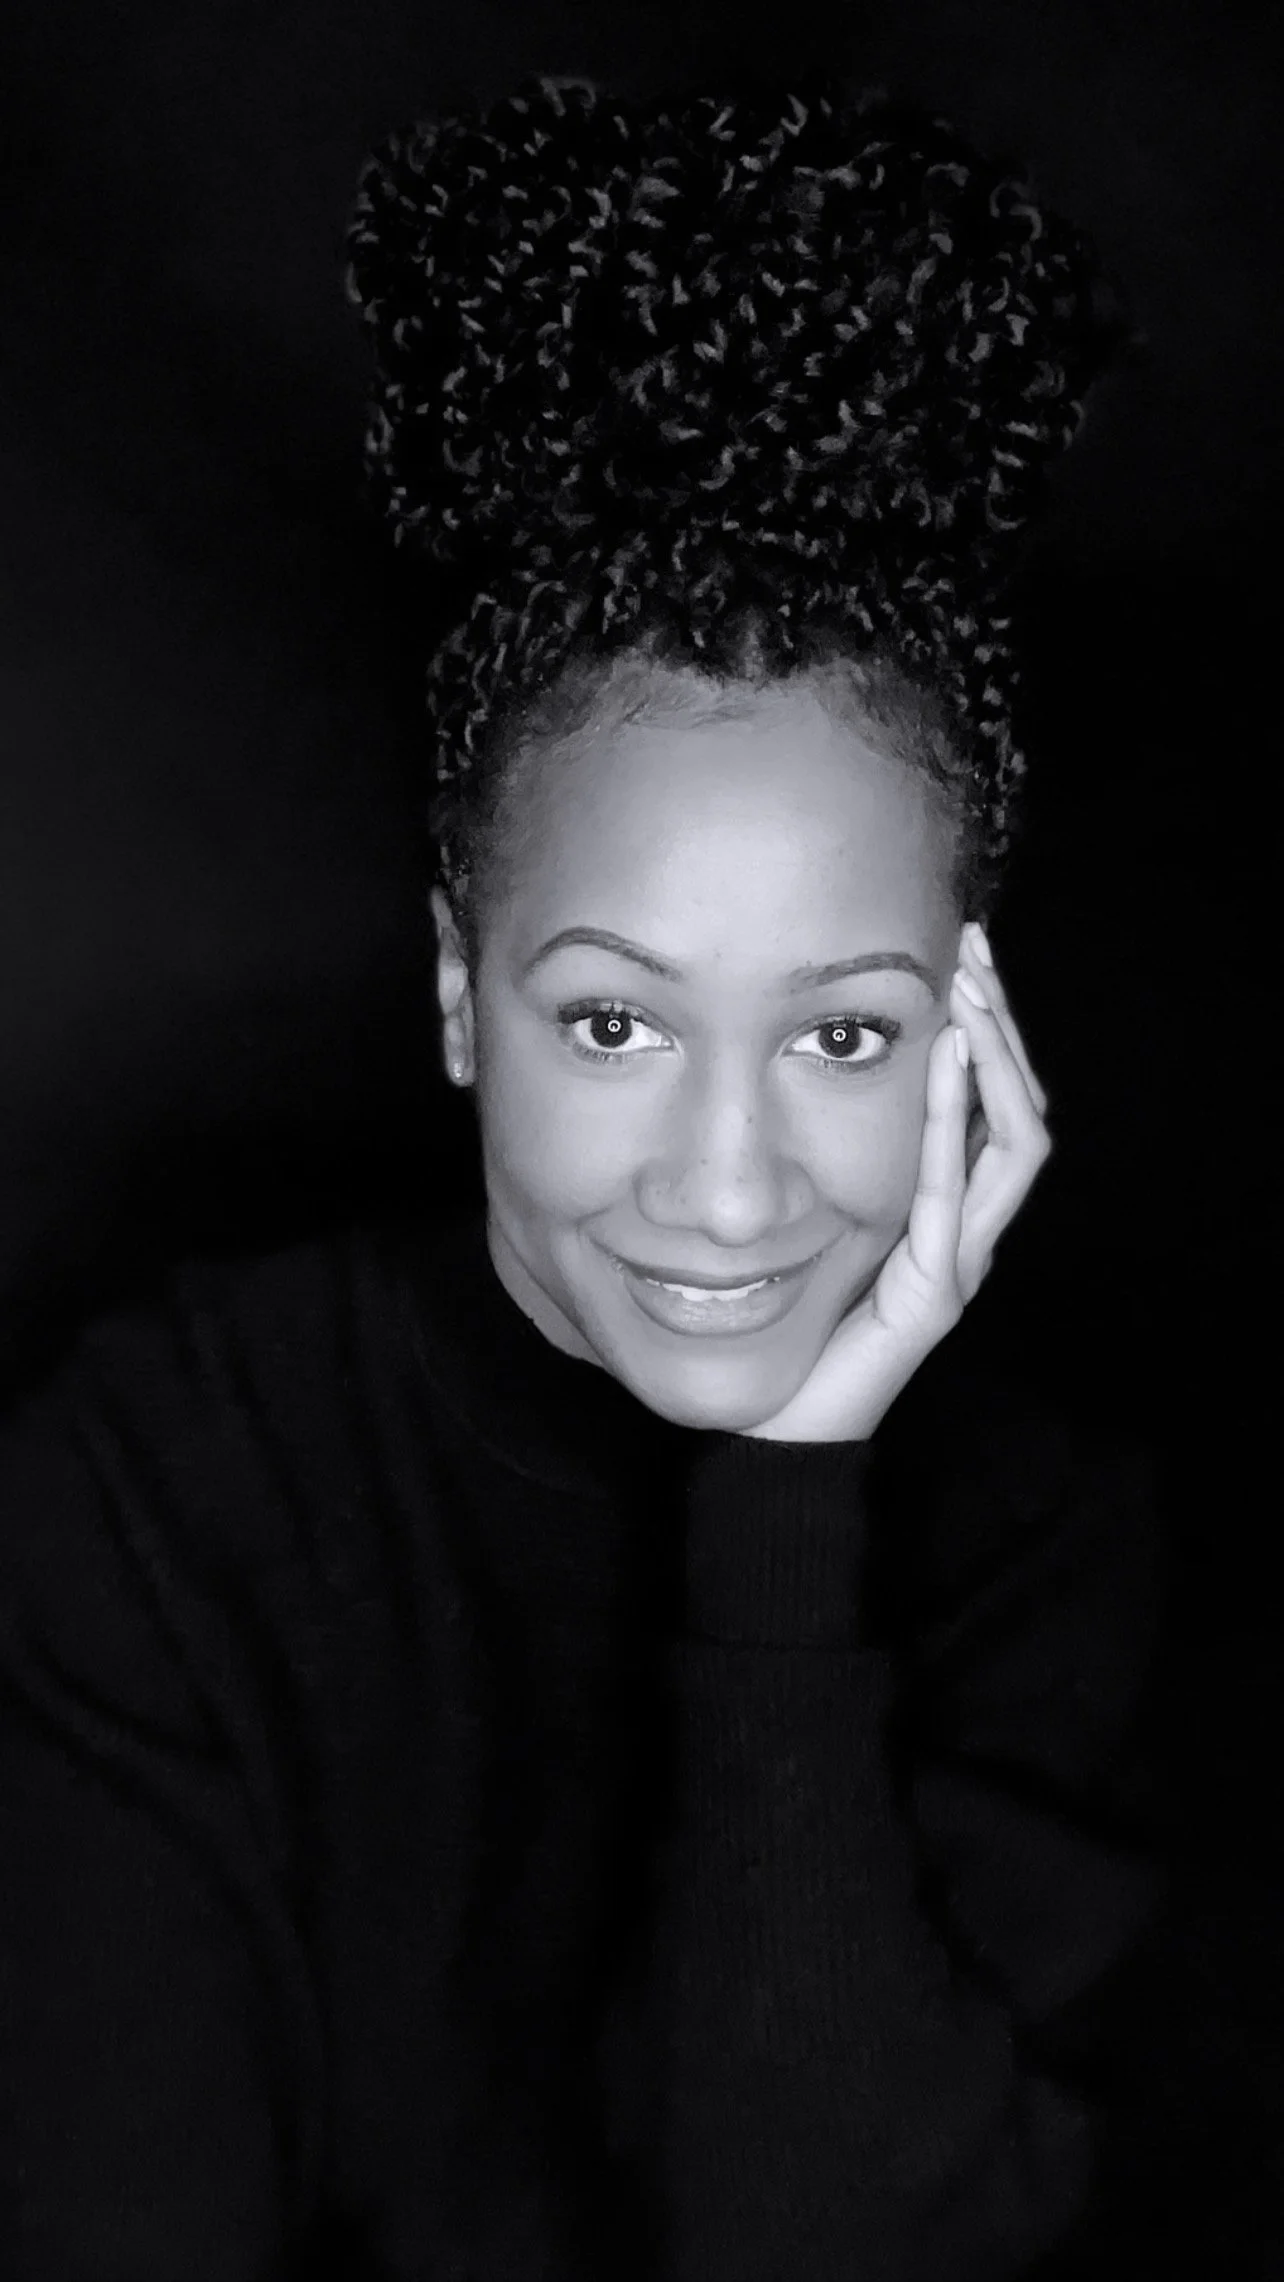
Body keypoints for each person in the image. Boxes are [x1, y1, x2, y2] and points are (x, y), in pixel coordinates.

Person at [0, 71, 1165, 2282]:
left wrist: (787, 1512)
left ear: (970, 1036)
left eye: (843, 1031)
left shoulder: (1055, 1550)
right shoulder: (161, 1489)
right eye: (614, 1021)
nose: (726, 1192)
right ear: (460, 996)